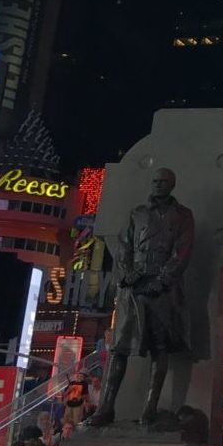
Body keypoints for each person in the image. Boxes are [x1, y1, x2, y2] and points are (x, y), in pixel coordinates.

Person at [89, 167, 194, 426]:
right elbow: (124, 245)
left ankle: (150, 408)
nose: (157, 185)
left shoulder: (183, 216)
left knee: (160, 349)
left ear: (172, 185)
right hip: (133, 288)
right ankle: (106, 408)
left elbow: (181, 253)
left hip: (161, 292)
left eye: (163, 182)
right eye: (154, 181)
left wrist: (161, 281)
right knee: (120, 348)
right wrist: (127, 273)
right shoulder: (137, 213)